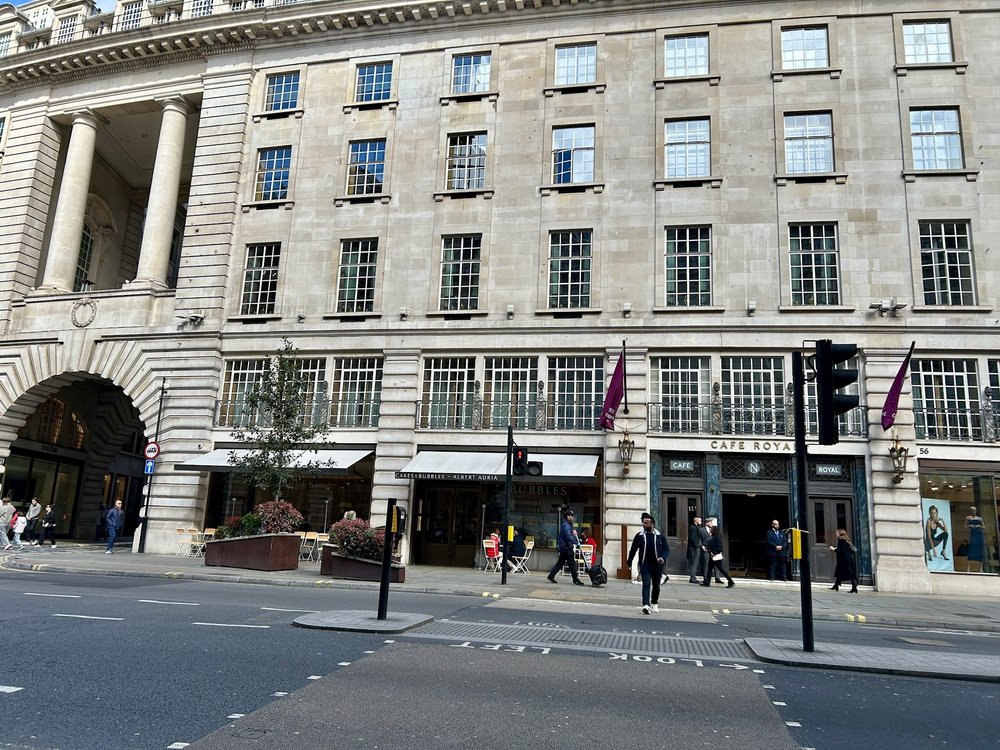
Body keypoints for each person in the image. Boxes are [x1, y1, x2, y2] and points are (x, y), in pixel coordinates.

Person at [626, 512, 669, 614]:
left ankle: (654, 603)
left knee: (656, 585)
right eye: (643, 522)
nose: (644, 525)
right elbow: (633, 549)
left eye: (646, 523)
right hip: (645, 564)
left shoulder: (660, 536)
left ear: (652, 524)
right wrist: (629, 562)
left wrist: (662, 557)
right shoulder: (640, 536)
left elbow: (666, 549)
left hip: (657, 565)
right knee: (646, 584)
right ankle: (646, 604)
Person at [547, 509, 584, 586]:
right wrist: (576, 542)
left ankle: (551, 576)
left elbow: (569, 534)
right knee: (572, 563)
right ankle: (575, 580)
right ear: (568, 516)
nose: (573, 517)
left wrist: (574, 534)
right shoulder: (566, 525)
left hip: (564, 547)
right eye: (571, 516)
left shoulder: (567, 524)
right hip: (566, 547)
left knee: (560, 562)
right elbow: (568, 536)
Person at [829, 528, 858, 592]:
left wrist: (833, 549)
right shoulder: (846, 540)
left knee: (848, 573)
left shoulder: (841, 540)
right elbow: (847, 550)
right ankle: (836, 586)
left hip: (843, 560)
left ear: (840, 533)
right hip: (847, 559)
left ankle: (854, 587)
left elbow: (841, 550)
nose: (836, 533)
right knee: (840, 572)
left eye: (837, 532)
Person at [965, 506, 987, 573]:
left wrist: (979, 526)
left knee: (980, 550)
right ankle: (968, 568)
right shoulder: (968, 518)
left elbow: (984, 527)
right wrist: (970, 526)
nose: (973, 512)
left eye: (974, 510)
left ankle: (980, 568)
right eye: (972, 510)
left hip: (979, 534)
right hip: (973, 534)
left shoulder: (980, 518)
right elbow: (965, 526)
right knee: (971, 549)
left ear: (976, 511)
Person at [686, 516, 703, 583]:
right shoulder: (693, 527)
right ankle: (693, 578)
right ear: (696, 521)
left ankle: (692, 578)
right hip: (693, 549)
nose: (701, 522)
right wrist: (696, 546)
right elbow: (692, 538)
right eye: (700, 521)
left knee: (695, 563)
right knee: (694, 563)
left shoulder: (695, 527)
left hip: (694, 548)